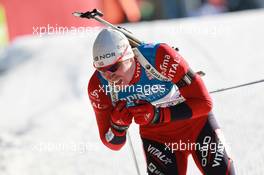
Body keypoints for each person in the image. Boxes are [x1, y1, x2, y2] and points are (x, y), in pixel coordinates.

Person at [88, 28, 236, 175]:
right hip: (158, 137)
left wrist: (158, 115)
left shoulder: (159, 56)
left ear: (129, 56)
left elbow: (204, 103)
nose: (109, 76)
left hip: (196, 125)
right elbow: (112, 144)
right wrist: (117, 127)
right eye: (102, 70)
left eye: (114, 67)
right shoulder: (98, 86)